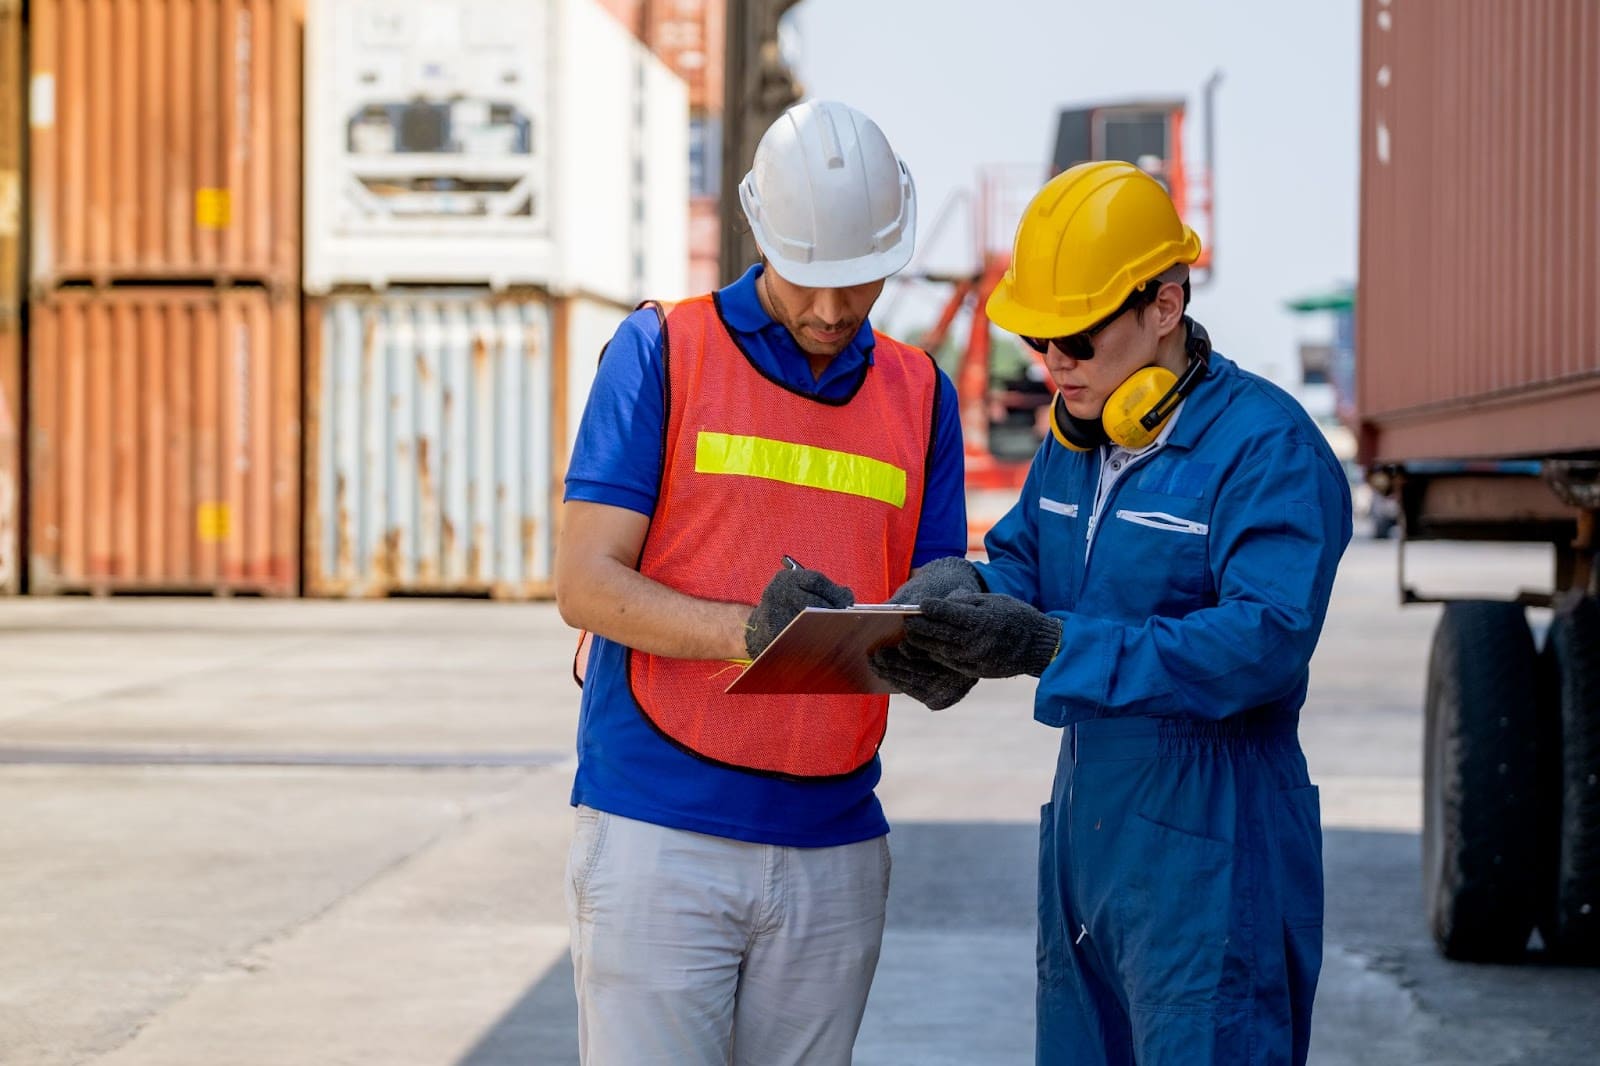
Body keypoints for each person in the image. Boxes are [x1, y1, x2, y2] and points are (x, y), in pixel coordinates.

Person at [872, 160, 1353, 1065]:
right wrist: (950, 607)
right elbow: (1023, 557)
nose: (1053, 365)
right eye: (1038, 341)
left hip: (1218, 832)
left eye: (1077, 340)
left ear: (1164, 304)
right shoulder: (1076, 438)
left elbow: (1267, 640)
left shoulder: (1265, 448)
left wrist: (1056, 646)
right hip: (1090, 825)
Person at [553, 99, 967, 1066]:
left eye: (858, 282)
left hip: (837, 841)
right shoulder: (661, 351)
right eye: (808, 280)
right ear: (758, 231)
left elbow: (930, 583)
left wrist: (955, 636)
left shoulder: (920, 391)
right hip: (661, 833)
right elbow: (584, 584)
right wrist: (755, 630)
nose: (831, 312)